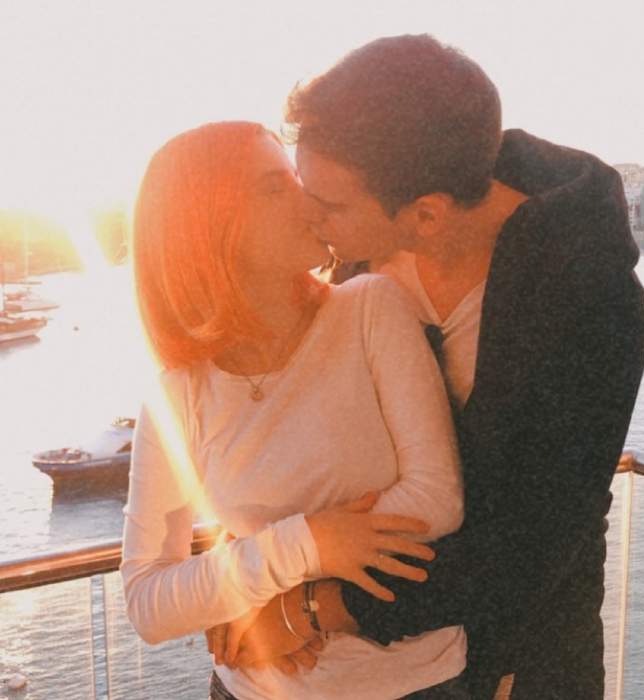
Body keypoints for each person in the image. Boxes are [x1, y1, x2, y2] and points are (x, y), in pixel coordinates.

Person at [217, 34, 644, 699]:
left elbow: (533, 541)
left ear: (426, 215)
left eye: (329, 205)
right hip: (356, 668)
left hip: (512, 662)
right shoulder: (362, 251)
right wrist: (241, 575)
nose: (307, 214)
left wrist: (311, 610)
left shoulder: (592, 301)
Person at [121, 120, 470, 700]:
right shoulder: (177, 395)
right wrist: (307, 543)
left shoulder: (369, 309)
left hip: (415, 684)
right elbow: (147, 603)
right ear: (209, 229)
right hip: (251, 688)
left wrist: (286, 605)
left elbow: (437, 499)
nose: (309, 200)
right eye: (273, 187)